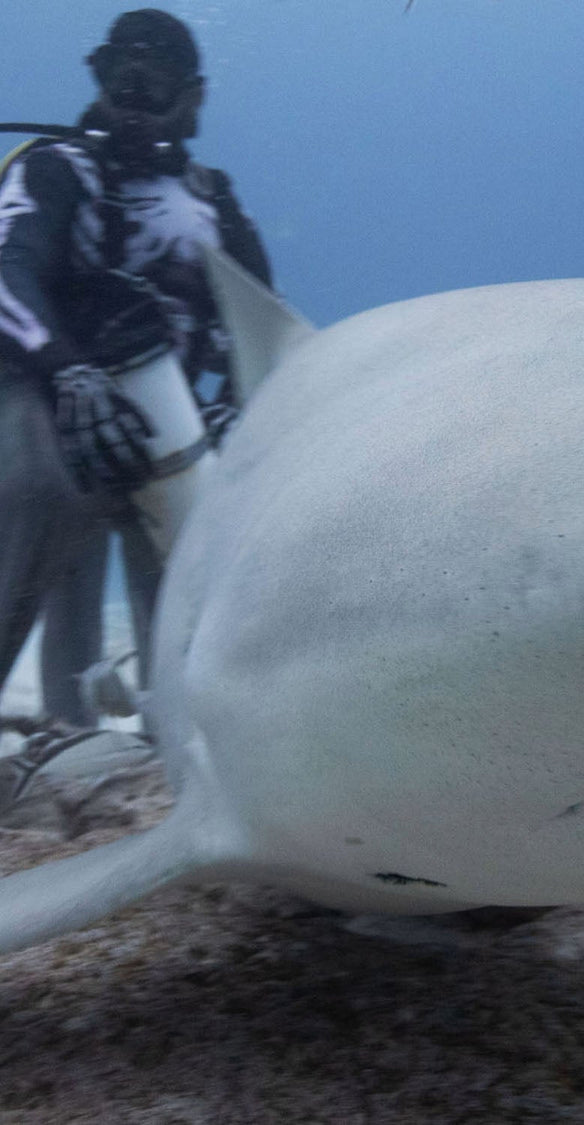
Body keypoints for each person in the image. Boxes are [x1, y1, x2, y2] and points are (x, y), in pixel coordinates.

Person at [0, 9, 272, 728]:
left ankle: (166, 742)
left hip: (168, 426)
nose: (134, 95)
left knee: (187, 595)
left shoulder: (214, 202)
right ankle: (61, 733)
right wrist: (67, 373)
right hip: (48, 411)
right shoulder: (55, 170)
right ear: (96, 75)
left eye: (156, 83)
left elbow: (258, 324)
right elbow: (8, 271)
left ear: (193, 97)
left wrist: (235, 404)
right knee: (41, 494)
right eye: (120, 76)